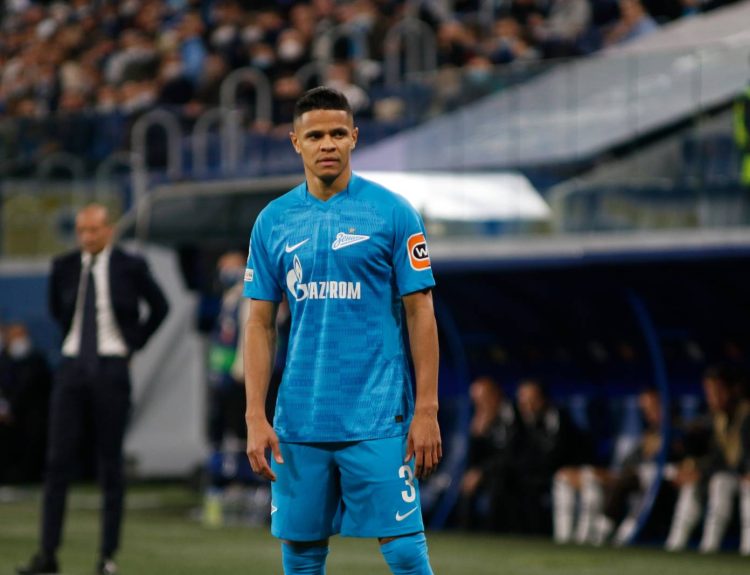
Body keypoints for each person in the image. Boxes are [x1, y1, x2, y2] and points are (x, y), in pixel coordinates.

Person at [243, 86, 441, 575]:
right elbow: (260, 323)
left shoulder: (393, 213)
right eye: (315, 136)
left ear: (355, 137)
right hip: (299, 420)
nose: (327, 144)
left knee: (404, 552)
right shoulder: (272, 221)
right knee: (302, 557)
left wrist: (427, 409)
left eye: (337, 133)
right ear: (296, 142)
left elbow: (421, 313)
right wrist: (254, 415)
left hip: (378, 416)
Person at [17, 203, 169, 575]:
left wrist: (133, 344)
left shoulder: (130, 266)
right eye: (82, 230)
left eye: (94, 230)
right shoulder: (64, 266)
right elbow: (58, 311)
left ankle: (107, 556)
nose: (87, 237)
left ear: (109, 230)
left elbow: (160, 307)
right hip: (71, 368)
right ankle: (47, 554)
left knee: (110, 463)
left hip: (112, 367)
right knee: (57, 462)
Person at [664, 365, 750, 554]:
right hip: (731, 475)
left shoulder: (746, 414)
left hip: (744, 476)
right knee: (701, 481)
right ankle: (679, 545)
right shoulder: (717, 419)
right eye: (709, 393)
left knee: (727, 483)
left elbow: (741, 459)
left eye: (719, 391)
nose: (714, 398)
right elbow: (717, 458)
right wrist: (695, 468)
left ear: (734, 390)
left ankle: (746, 548)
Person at [456, 376, 518, 531]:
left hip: (511, 471)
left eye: (483, 400)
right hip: (489, 470)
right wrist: (476, 436)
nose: (480, 405)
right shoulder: (480, 418)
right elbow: (473, 459)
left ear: (495, 396)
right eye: (476, 401)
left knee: (496, 488)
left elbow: (511, 454)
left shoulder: (512, 415)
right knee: (466, 483)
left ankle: (494, 534)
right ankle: (466, 535)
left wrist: (482, 471)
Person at [0, 322, 52, 484]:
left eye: (20, 335)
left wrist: (12, 408)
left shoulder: (36, 359)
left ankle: (28, 475)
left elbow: (33, 387)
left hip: (31, 414)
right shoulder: (5, 360)